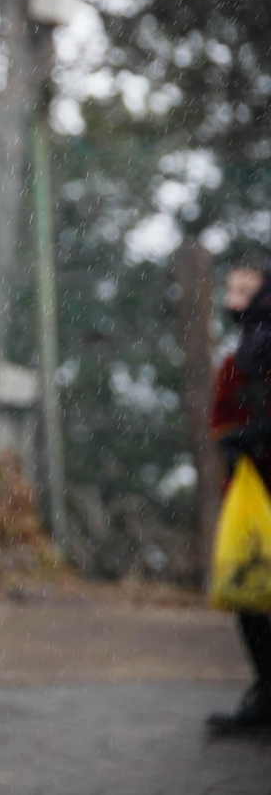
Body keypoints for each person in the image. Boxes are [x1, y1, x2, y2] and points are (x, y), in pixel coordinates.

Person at [206, 262, 271, 736]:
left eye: (247, 292)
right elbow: (222, 421)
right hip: (252, 497)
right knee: (251, 596)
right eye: (231, 291)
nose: (236, 302)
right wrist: (236, 441)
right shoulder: (236, 362)